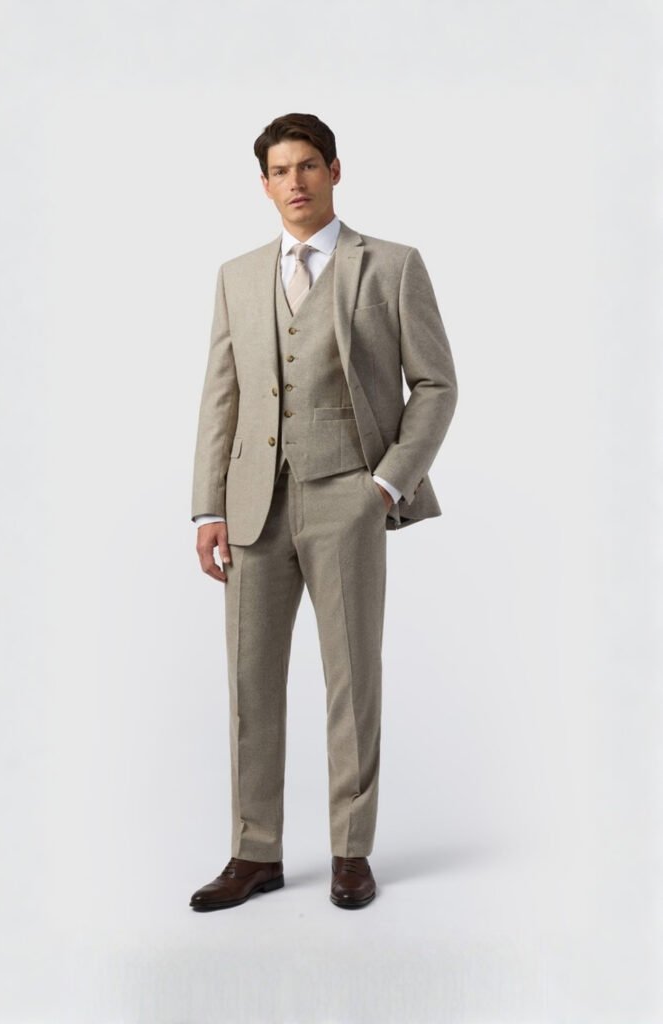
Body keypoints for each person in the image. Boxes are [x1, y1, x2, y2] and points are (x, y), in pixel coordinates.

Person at [189, 112, 458, 911]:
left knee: (352, 681)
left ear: (334, 171)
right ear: (264, 184)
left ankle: (349, 850)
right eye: (280, 170)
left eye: (307, 165)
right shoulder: (237, 276)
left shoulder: (392, 265)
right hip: (252, 506)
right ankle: (254, 853)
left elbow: (435, 384)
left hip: (349, 496)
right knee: (249, 684)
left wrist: (387, 484)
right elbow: (222, 396)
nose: (295, 181)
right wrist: (206, 508)